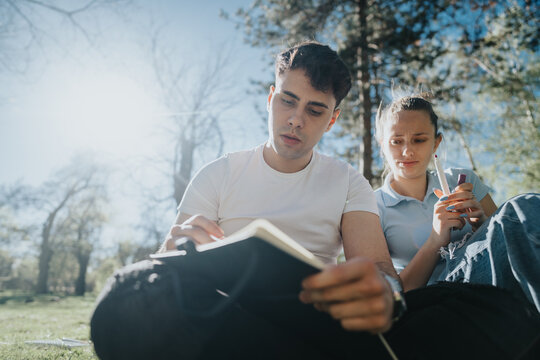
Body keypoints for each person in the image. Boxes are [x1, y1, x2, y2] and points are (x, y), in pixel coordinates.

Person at [90, 44, 540, 360]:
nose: (295, 119)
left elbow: (384, 275)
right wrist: (172, 252)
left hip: (323, 321)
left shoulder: (348, 182)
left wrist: (383, 296)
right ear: (271, 98)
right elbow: (169, 269)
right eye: (287, 101)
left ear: (333, 118)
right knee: (126, 300)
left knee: (507, 283)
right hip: (229, 315)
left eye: (314, 109)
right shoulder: (219, 173)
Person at [374, 94, 540, 311]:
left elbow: (508, 242)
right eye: (397, 141)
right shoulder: (372, 206)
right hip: (437, 297)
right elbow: (394, 293)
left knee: (525, 207)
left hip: (487, 278)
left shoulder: (463, 179)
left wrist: (481, 223)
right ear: (382, 144)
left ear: (436, 143)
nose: (407, 151)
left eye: (419, 139)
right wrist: (435, 240)